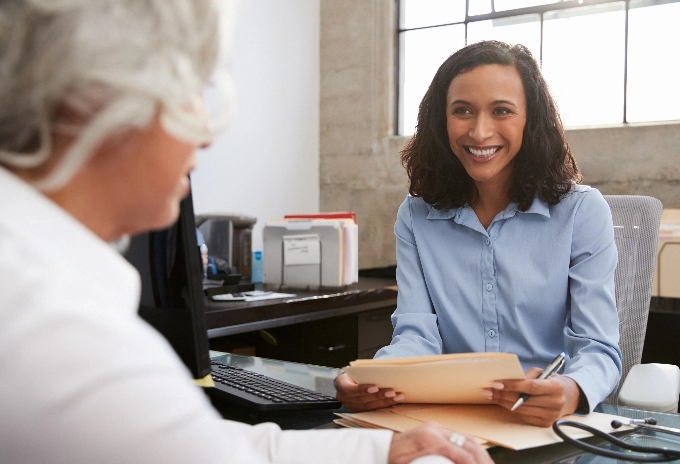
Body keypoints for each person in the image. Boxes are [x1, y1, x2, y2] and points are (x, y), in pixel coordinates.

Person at [0, 1, 493, 463]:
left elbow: (204, 445)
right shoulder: (59, 331)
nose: (207, 134)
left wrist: (384, 451)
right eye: (189, 92)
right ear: (96, 102)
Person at [335, 40, 622, 427]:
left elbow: (597, 347)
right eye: (462, 111)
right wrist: (373, 379)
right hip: (452, 419)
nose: (480, 131)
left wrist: (572, 390)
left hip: (547, 422)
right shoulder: (416, 216)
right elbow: (415, 334)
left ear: (529, 120)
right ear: (442, 120)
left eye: (502, 111)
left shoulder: (582, 212)